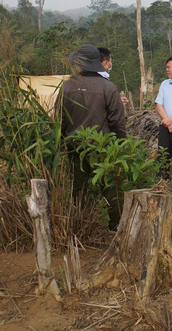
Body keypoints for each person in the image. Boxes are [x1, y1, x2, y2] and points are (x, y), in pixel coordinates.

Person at [57, 44, 127, 228]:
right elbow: (118, 122)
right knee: (111, 188)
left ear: (80, 63)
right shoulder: (109, 88)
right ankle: (115, 227)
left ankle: (79, 225)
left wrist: (60, 142)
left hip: (75, 148)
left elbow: (59, 119)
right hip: (103, 147)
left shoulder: (67, 86)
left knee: (78, 189)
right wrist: (121, 145)